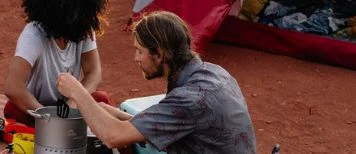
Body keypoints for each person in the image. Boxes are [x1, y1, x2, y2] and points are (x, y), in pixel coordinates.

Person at [56, 11, 257, 154]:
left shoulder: (190, 99)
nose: (136, 58)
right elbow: (174, 124)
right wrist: (115, 114)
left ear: (159, 54)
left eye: (140, 51)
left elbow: (112, 136)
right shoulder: (213, 73)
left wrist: (78, 91)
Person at [3, 0, 112, 125]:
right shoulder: (33, 35)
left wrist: (75, 100)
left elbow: (94, 73)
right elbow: (12, 87)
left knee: (102, 99)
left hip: (71, 105)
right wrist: (48, 118)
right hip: (37, 107)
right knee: (13, 108)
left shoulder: (82, 29)